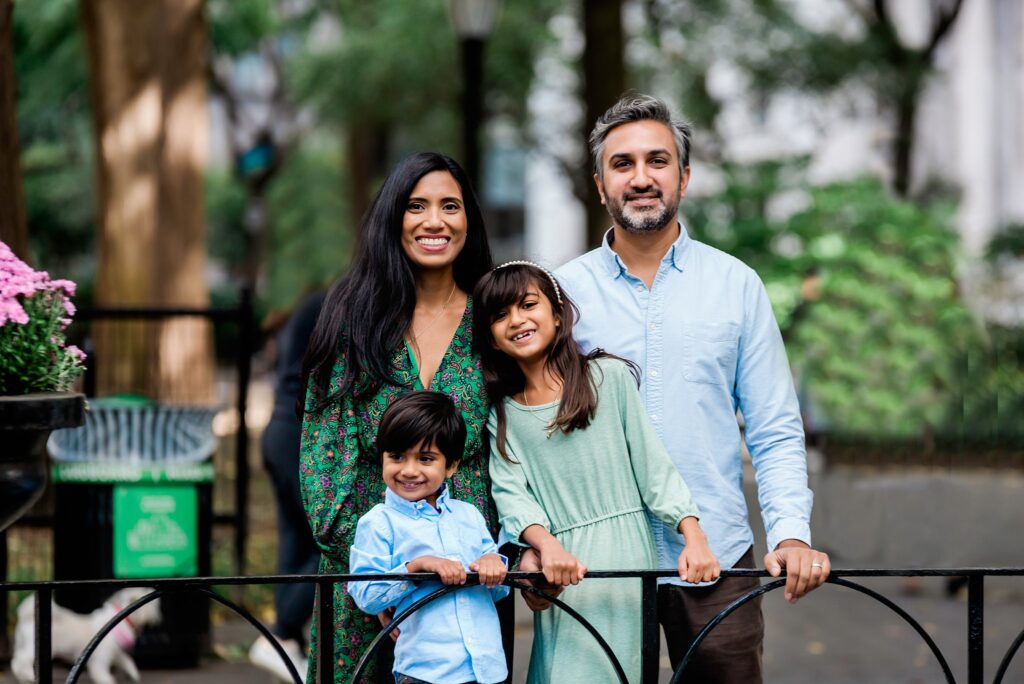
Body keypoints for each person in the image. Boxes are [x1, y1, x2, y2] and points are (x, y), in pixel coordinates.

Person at [552, 93, 832, 682]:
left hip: (718, 559)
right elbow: (526, 424)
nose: (641, 177)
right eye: (622, 164)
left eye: (657, 161)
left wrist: (790, 534)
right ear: (600, 185)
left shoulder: (737, 285)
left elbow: (775, 427)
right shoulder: (560, 294)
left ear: (684, 175)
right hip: (598, 565)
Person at [300, 152, 499, 683]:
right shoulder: (354, 317)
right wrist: (379, 582)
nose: (435, 221)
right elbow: (323, 465)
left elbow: (516, 446)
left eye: (450, 206)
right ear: (394, 218)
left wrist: (495, 558)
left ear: (468, 220)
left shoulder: (494, 320)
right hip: (366, 579)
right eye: (417, 206)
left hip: (466, 585)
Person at [473, 261, 720, 684]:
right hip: (562, 567)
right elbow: (512, 496)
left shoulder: (609, 378)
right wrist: (546, 546)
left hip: (627, 558)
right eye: (499, 315)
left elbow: (654, 469)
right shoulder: (504, 414)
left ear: (556, 313)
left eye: (528, 304)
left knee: (619, 670)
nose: (516, 320)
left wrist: (693, 537)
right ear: (491, 339)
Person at [349, 391, 510, 684]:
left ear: (450, 465)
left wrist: (493, 563)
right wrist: (416, 568)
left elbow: (499, 591)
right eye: (397, 456)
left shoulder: (469, 515)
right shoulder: (378, 523)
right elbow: (366, 596)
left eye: (425, 458)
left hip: (487, 668)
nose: (409, 470)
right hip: (426, 672)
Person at [249, 290, 325, 682]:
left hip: (282, 431)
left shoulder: (311, 301)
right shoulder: (336, 298)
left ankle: (286, 641)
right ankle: (279, 633)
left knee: (297, 541)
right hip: (299, 434)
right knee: (328, 543)